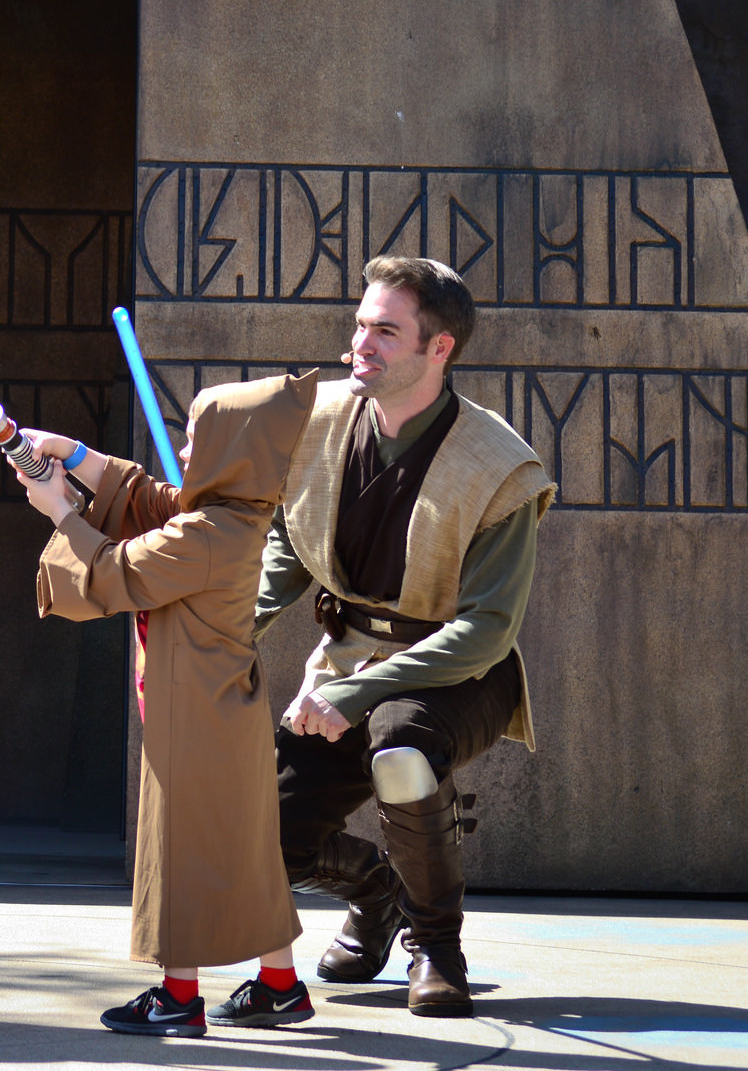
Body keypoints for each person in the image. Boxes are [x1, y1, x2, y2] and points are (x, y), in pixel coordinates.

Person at [259, 256, 554, 1018]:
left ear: (438, 348)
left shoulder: (497, 465)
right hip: (348, 660)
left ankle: (437, 945)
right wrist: (227, 623)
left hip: (459, 675)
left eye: (384, 330)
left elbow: (485, 630)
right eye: (360, 324)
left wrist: (351, 693)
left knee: (399, 746)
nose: (360, 342)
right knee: (260, 830)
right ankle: (376, 890)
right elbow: (289, 550)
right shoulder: (318, 420)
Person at [21, 371, 322, 1038]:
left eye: (200, 437)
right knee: (247, 850)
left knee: (177, 849)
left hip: (196, 721)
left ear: (232, 451)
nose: (185, 451)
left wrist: (58, 511)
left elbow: (113, 571)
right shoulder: (228, 514)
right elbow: (143, 495)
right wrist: (72, 455)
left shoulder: (207, 534)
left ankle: (177, 996)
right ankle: (279, 984)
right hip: (220, 710)